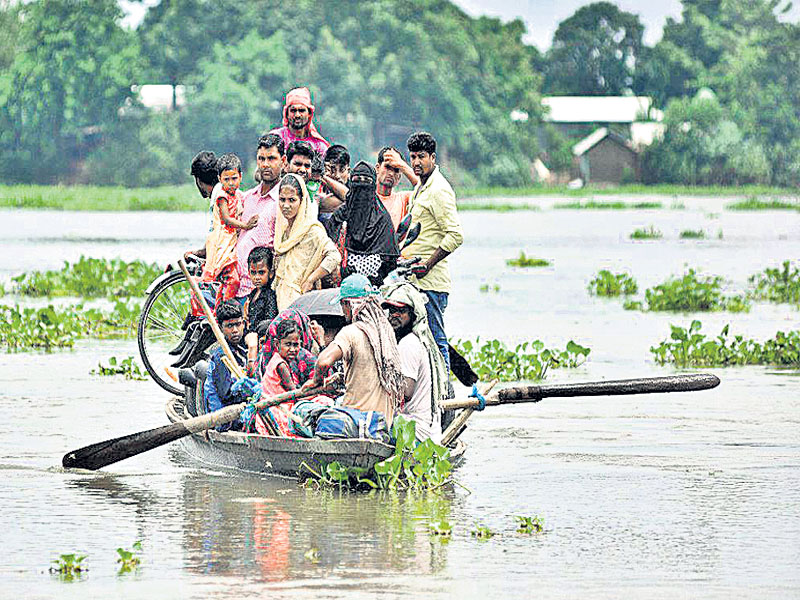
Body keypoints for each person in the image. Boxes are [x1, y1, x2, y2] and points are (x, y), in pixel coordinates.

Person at [303, 274, 405, 425]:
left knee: (306, 412)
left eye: (342, 305)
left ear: (347, 304)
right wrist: (341, 377)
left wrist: (316, 380)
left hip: (356, 422)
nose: (343, 311)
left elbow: (324, 361)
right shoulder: (386, 332)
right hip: (382, 425)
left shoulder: (351, 332)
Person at [403, 132, 464, 371]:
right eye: (413, 157)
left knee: (436, 340)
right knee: (420, 340)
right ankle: (429, 389)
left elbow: (455, 235)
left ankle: (444, 390)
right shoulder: (421, 186)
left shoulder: (439, 189)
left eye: (421, 157)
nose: (416, 162)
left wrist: (428, 264)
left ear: (433, 157)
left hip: (432, 282)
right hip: (415, 280)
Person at [381, 282, 448, 443]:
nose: (394, 315)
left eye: (401, 311)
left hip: (414, 432)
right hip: (423, 430)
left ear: (414, 315)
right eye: (392, 310)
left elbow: (405, 393)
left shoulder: (409, 343)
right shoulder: (416, 340)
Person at [272, 174, 342, 311]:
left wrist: (311, 280)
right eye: (282, 200)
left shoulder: (311, 230)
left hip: (301, 301)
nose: (286, 205)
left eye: (292, 200)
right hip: (280, 298)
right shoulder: (282, 230)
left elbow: (334, 256)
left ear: (302, 201)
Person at [326, 161, 399, 286]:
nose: (361, 184)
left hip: (369, 285)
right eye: (357, 180)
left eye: (366, 180)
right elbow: (327, 244)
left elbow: (386, 259)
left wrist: (347, 272)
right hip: (333, 280)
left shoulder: (382, 218)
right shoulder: (340, 215)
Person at [201, 153, 258, 304]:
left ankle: (223, 304)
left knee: (229, 279)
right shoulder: (222, 196)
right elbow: (226, 219)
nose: (231, 183)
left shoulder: (238, 195)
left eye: (234, 178)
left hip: (231, 240)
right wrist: (246, 226)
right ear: (219, 179)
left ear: (240, 177)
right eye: (226, 179)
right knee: (233, 280)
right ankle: (225, 308)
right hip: (222, 242)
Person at [236, 134, 285, 299]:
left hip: (258, 291)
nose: (265, 164)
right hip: (234, 284)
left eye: (271, 159)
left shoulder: (284, 202)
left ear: (283, 161)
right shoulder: (247, 197)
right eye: (261, 159)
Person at [203, 300, 249, 430]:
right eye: (229, 326)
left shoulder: (242, 349)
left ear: (243, 324)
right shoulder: (221, 357)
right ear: (220, 328)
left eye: (238, 324)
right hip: (225, 419)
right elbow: (226, 396)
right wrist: (250, 393)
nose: (235, 330)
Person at [257, 319, 305, 437]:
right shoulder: (281, 365)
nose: (292, 349)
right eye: (288, 344)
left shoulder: (279, 359)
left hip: (273, 408)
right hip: (277, 411)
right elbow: (295, 394)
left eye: (296, 345)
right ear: (277, 344)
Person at [270, 87, 330, 156]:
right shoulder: (275, 139)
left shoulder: (318, 146)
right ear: (287, 114)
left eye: (301, 110)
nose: (297, 115)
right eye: (293, 110)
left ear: (309, 113)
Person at [185, 150, 218, 260]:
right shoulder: (223, 189)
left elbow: (217, 233)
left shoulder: (218, 196)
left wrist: (202, 252)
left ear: (198, 180)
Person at [376, 146, 418, 230]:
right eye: (388, 167)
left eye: (396, 170)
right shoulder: (366, 198)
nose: (391, 174)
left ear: (399, 177)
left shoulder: (404, 199)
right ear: (377, 168)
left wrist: (402, 165)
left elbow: (426, 189)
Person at [242, 245, 278, 341]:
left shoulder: (269, 296)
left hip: (261, 339)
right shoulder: (252, 294)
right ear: (248, 272)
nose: (257, 277)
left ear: (271, 273)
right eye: (253, 272)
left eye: (261, 272)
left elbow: (269, 322)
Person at [317, 144, 351, 215]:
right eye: (332, 170)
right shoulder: (318, 184)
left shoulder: (355, 187)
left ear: (348, 171)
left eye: (342, 170)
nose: (337, 175)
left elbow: (348, 196)